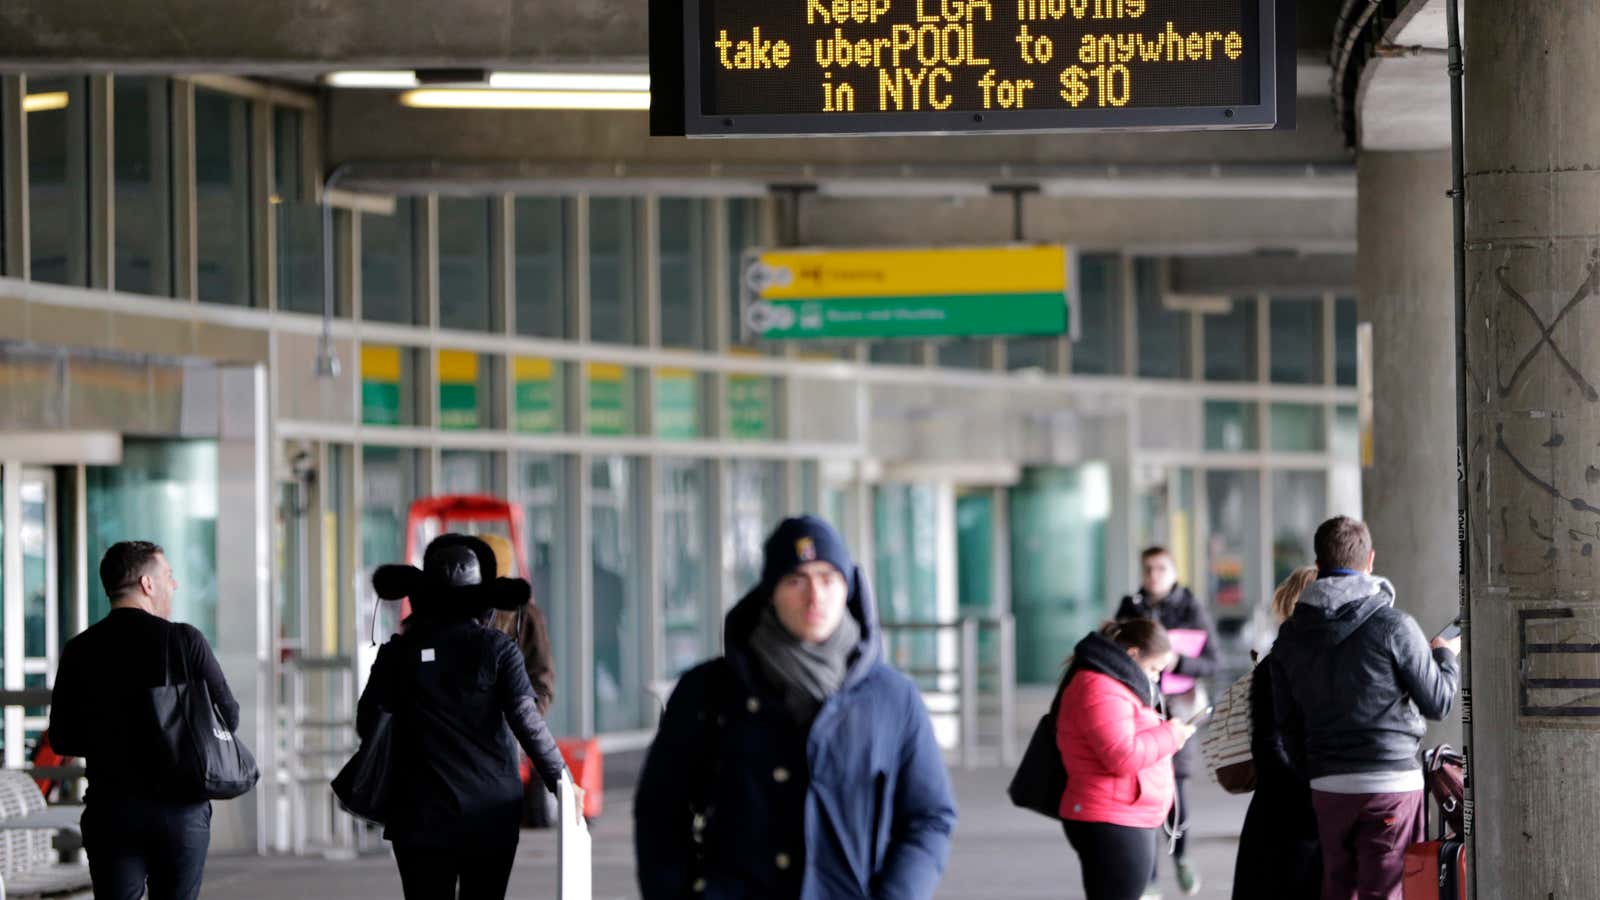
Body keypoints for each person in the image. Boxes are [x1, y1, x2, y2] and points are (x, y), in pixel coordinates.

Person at [635, 515, 957, 899]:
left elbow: (929, 817)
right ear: (770, 591)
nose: (814, 596)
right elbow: (660, 810)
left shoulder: (893, 698)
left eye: (827, 578)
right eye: (796, 580)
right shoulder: (707, 691)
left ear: (848, 587)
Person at [359, 534, 573, 900]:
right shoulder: (499, 650)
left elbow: (367, 723)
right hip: (490, 812)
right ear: (482, 601)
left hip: (418, 813)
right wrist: (563, 782)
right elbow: (527, 720)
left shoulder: (398, 653)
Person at [1271, 516, 1460, 900]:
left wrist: (1316, 768)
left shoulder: (1290, 636)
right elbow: (1438, 702)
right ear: (1370, 560)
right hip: (1389, 784)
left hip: (1327, 784)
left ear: (1319, 564)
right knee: (1385, 892)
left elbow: (1285, 721)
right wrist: (1444, 657)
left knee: (1338, 890)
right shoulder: (1394, 626)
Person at [49, 541, 241, 900]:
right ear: (147, 584)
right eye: (168, 575)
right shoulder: (183, 641)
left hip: (112, 809)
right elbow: (228, 716)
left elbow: (62, 738)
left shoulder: (80, 649)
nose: (175, 584)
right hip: (180, 811)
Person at [1056, 619, 1196, 900]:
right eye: (1155, 669)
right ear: (1133, 655)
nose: (1156, 679)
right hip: (1111, 818)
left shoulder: (1111, 682)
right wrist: (1171, 735)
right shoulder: (1100, 687)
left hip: (1119, 813)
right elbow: (1121, 755)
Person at [1116, 547, 1219, 897]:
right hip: (1138, 708)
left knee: (1175, 788)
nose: (1153, 575)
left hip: (1178, 710)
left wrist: (1177, 662)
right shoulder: (1130, 607)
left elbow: (1212, 661)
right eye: (1147, 568)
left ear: (1174, 571)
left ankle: (1182, 857)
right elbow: (1114, 652)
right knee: (1143, 791)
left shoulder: (1191, 608)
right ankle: (1150, 878)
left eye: (1161, 568)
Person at [1231, 566, 1322, 900]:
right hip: (1291, 817)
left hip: (1279, 812)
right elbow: (1267, 745)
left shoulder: (1281, 662)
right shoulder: (1278, 665)